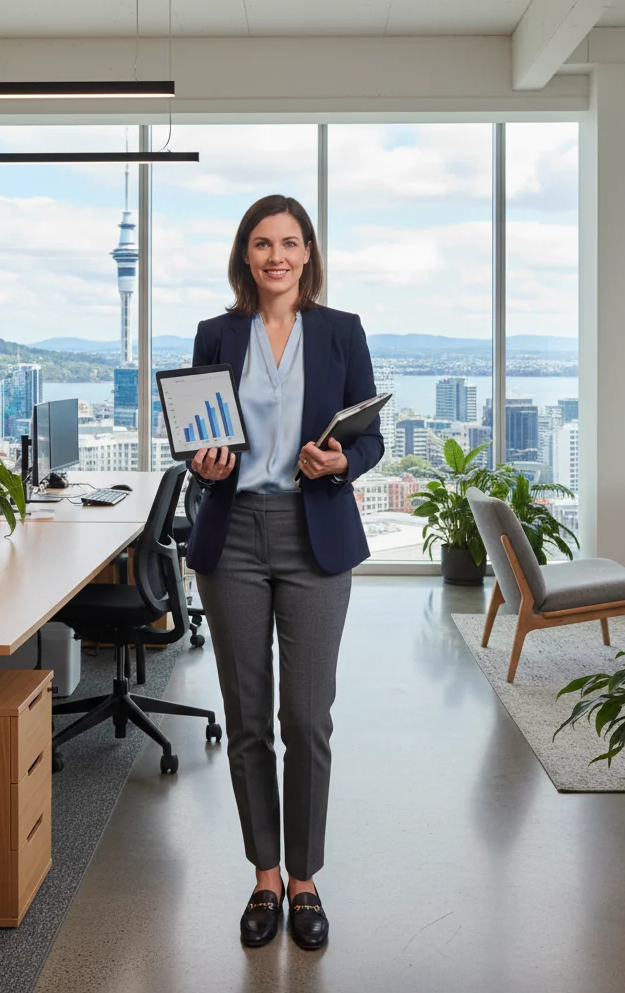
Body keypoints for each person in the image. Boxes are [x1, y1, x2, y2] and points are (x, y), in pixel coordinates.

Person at [186, 194, 384, 950]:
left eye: (290, 243)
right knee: (245, 720)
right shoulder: (217, 333)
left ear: (308, 254)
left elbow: (369, 437)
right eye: (263, 243)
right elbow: (199, 439)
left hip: (315, 535)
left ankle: (306, 877)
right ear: (246, 255)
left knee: (305, 718)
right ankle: (266, 876)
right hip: (233, 533)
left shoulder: (341, 332)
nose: (276, 256)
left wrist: (343, 458)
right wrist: (205, 463)